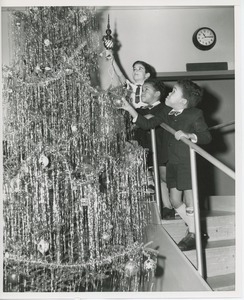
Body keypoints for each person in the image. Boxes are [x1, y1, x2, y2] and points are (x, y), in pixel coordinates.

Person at [118, 79, 212, 251]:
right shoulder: (166, 112)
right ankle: (196, 229)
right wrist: (130, 109)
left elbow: (206, 136)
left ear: (183, 101)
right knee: (175, 201)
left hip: (186, 162)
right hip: (171, 163)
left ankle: (193, 233)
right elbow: (147, 124)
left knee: (190, 200)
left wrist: (189, 135)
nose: (169, 93)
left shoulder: (194, 114)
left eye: (174, 91)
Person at [134, 79, 174, 219]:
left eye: (146, 89)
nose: (142, 92)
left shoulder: (164, 109)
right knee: (152, 178)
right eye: (142, 89)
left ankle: (171, 205)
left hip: (161, 148)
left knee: (163, 178)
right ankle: (164, 207)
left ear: (157, 94)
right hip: (144, 149)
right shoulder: (138, 110)